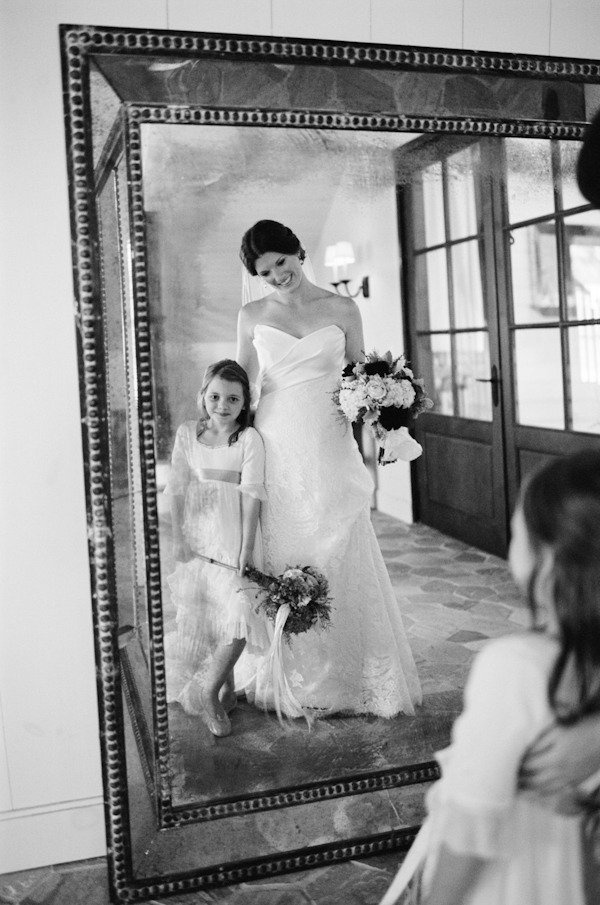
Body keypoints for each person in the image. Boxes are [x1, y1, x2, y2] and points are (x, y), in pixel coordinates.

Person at [380, 450, 600, 905]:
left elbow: (470, 823)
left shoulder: (514, 668)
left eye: (517, 529)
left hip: (514, 876)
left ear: (550, 555)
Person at [235, 219, 422, 718]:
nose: (277, 276)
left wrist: (386, 424)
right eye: (264, 271)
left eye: (281, 262)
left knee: (337, 536)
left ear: (298, 251)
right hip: (275, 440)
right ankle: (290, 672)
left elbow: (363, 376)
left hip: (328, 438)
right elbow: (241, 384)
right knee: (286, 544)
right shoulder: (252, 313)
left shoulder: (342, 308)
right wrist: (232, 447)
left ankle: (350, 672)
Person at [163, 359, 270, 737]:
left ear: (245, 403)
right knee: (207, 612)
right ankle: (225, 689)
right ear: (202, 397)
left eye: (232, 399)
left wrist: (246, 548)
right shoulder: (188, 434)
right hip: (198, 529)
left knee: (239, 612)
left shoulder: (248, 440)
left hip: (232, 535)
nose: (222, 405)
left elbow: (252, 494)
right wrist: (179, 537)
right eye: (214, 396)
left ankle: (209, 691)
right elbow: (176, 489)